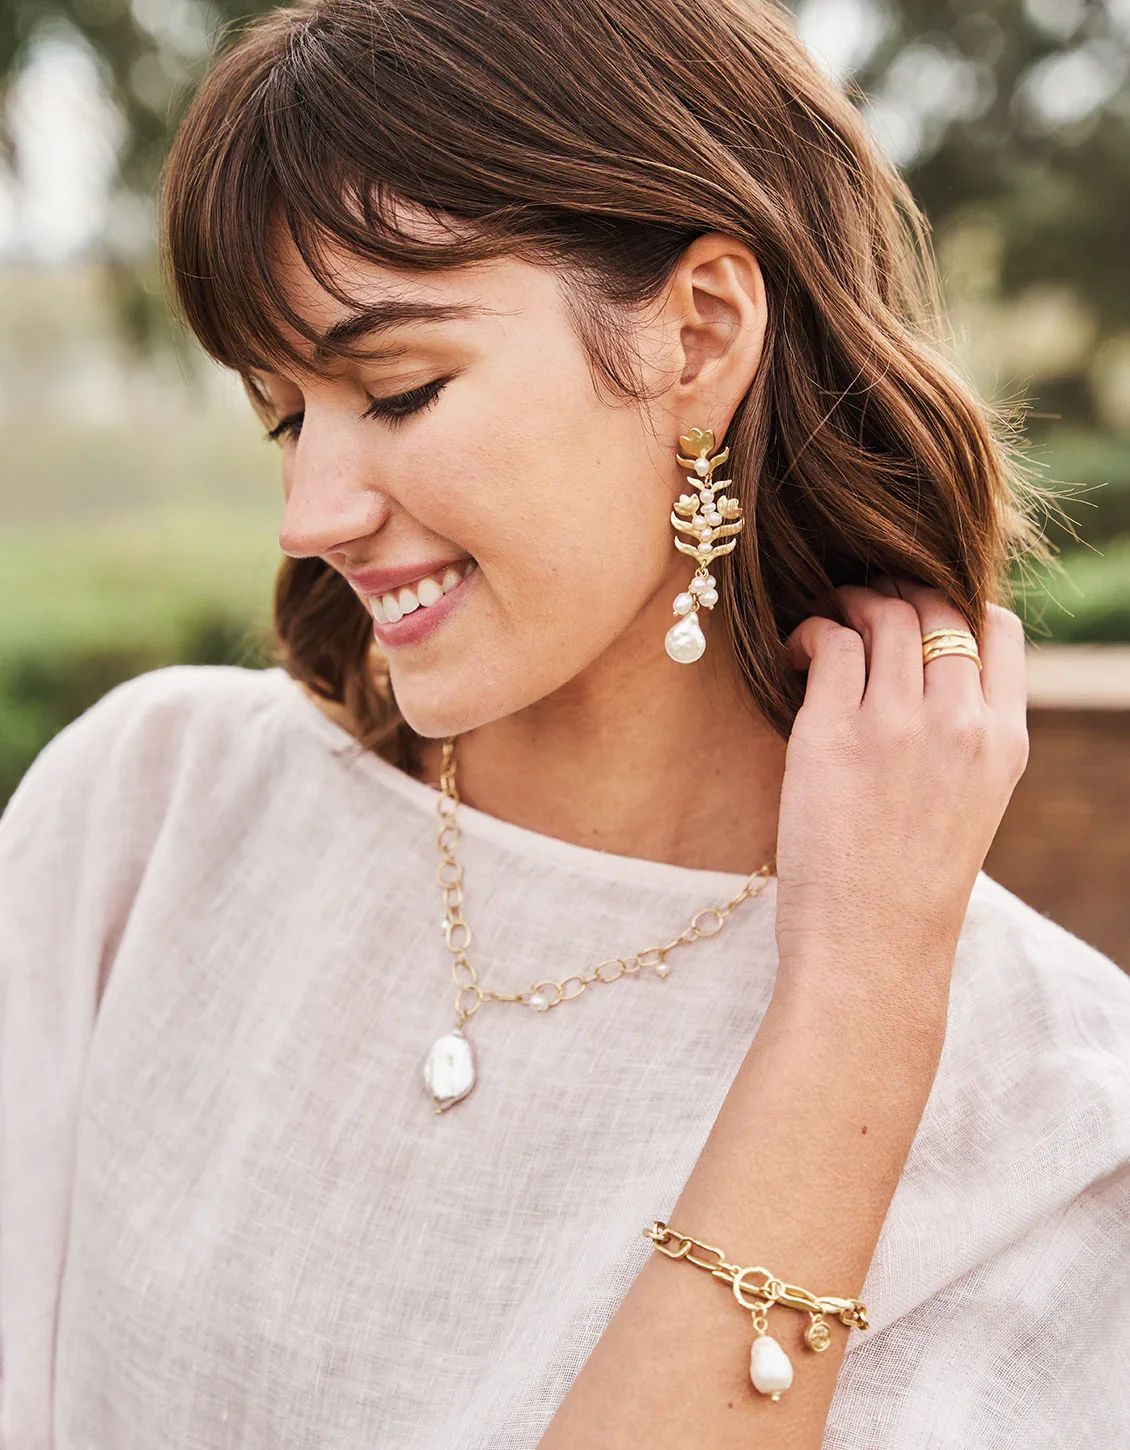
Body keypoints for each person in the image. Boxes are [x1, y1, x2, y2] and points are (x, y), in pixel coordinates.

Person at [2, 0, 1128, 1445]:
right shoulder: (151, 818)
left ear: (697, 333)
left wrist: (855, 1006)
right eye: (287, 417)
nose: (308, 515)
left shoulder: (1056, 1121)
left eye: (396, 389)